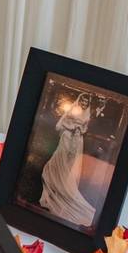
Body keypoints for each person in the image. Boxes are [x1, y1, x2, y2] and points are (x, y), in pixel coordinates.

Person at [39, 93, 97, 227]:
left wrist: (79, 130)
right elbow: (61, 124)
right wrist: (73, 128)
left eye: (86, 102)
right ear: (79, 100)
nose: (83, 103)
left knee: (71, 163)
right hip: (67, 136)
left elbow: (85, 128)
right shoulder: (72, 109)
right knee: (61, 157)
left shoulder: (87, 114)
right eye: (82, 101)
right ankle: (55, 179)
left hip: (77, 140)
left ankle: (65, 181)